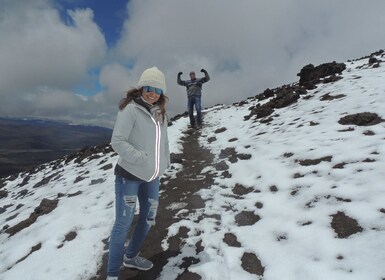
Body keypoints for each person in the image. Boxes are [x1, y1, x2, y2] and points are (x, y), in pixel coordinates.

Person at [106, 67, 170, 280]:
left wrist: (163, 164)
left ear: (162, 92)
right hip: (129, 176)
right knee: (123, 224)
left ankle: (131, 256)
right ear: (142, 88)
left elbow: (164, 142)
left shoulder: (160, 113)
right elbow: (117, 142)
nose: (152, 93)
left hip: (152, 177)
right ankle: (113, 274)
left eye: (157, 89)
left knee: (148, 218)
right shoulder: (130, 110)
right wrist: (141, 159)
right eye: (149, 88)